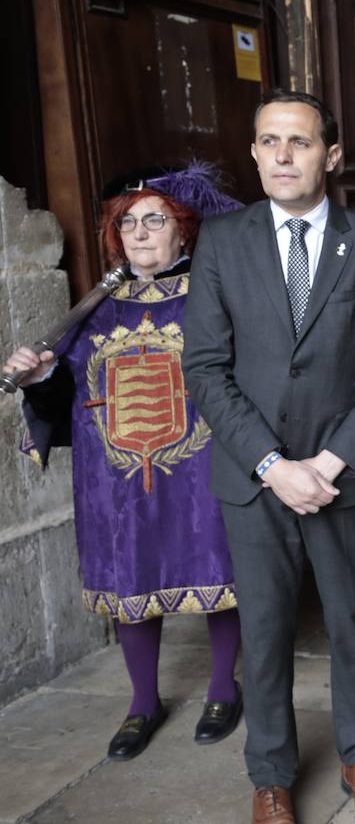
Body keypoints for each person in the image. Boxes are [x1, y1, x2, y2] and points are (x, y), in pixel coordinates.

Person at [183, 90, 355, 824]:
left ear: (332, 155)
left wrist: (330, 462)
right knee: (267, 631)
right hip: (256, 484)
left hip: (345, 479)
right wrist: (273, 465)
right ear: (254, 153)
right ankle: (272, 775)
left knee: (351, 625)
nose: (283, 153)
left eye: (300, 141)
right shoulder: (221, 244)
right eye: (269, 141)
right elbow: (205, 369)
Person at [5, 164, 244, 761]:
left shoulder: (216, 299)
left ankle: (222, 688)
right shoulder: (96, 310)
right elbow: (65, 404)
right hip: (113, 481)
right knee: (127, 577)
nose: (139, 233)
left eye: (154, 220)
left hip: (200, 469)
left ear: (183, 232)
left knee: (219, 571)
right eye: (127, 222)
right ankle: (142, 702)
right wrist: (40, 377)